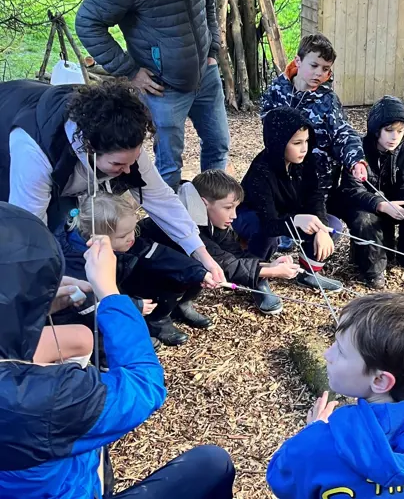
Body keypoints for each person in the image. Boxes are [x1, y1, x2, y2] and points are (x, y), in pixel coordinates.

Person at [0, 202, 236, 498]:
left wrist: (34, 310)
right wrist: (110, 293)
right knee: (212, 464)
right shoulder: (37, 398)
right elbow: (143, 386)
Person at [266, 292, 404, 499]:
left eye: (341, 350)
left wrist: (313, 431)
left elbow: (281, 479)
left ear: (380, 381)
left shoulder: (319, 443)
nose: (328, 354)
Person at [0, 80, 226, 284]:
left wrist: (201, 254)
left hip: (60, 155)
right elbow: (28, 225)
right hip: (9, 146)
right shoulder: (34, 152)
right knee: (40, 240)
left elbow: (161, 199)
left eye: (133, 160)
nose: (127, 170)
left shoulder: (121, 143)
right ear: (89, 148)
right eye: (118, 165)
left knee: (71, 230)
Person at [75, 0, 229, 189]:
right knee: (169, 166)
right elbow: (87, 22)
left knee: (218, 146)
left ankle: (212, 214)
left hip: (206, 74)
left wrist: (212, 49)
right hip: (162, 86)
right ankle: (168, 222)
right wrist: (129, 71)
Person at [64, 192, 214, 346]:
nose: (131, 238)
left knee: (165, 271)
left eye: (133, 230)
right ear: (94, 237)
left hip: (122, 293)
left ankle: (155, 321)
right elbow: (90, 304)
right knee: (101, 329)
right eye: (123, 236)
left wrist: (198, 272)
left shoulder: (127, 243)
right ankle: (113, 352)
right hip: (88, 319)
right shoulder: (79, 263)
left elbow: (162, 255)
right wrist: (132, 306)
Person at [142, 170, 301, 315]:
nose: (234, 216)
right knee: (199, 269)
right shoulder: (186, 226)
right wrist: (273, 272)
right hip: (147, 274)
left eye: (235, 208)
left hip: (172, 270)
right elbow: (224, 265)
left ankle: (183, 305)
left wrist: (269, 265)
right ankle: (159, 321)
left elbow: (234, 254)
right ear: (204, 203)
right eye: (228, 208)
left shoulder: (213, 221)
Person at [233, 107, 343, 292]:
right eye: (297, 143)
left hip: (285, 214)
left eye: (307, 141)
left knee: (333, 225)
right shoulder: (261, 171)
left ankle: (309, 273)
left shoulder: (305, 161)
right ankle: (256, 280)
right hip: (252, 216)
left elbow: (315, 196)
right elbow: (268, 222)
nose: (304, 148)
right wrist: (296, 221)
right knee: (267, 235)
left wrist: (322, 229)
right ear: (279, 143)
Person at [259, 33, 367, 212]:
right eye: (314, 65)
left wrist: (356, 161)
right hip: (281, 177)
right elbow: (268, 125)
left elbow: (343, 133)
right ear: (298, 61)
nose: (319, 73)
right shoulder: (277, 89)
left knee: (315, 228)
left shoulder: (328, 100)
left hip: (317, 181)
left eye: (325, 69)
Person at [339, 96, 404, 289]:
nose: (394, 137)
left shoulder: (403, 150)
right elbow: (352, 190)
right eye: (389, 131)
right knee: (365, 220)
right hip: (363, 204)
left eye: (400, 131)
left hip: (393, 200)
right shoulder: (359, 150)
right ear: (376, 130)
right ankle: (373, 270)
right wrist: (381, 205)